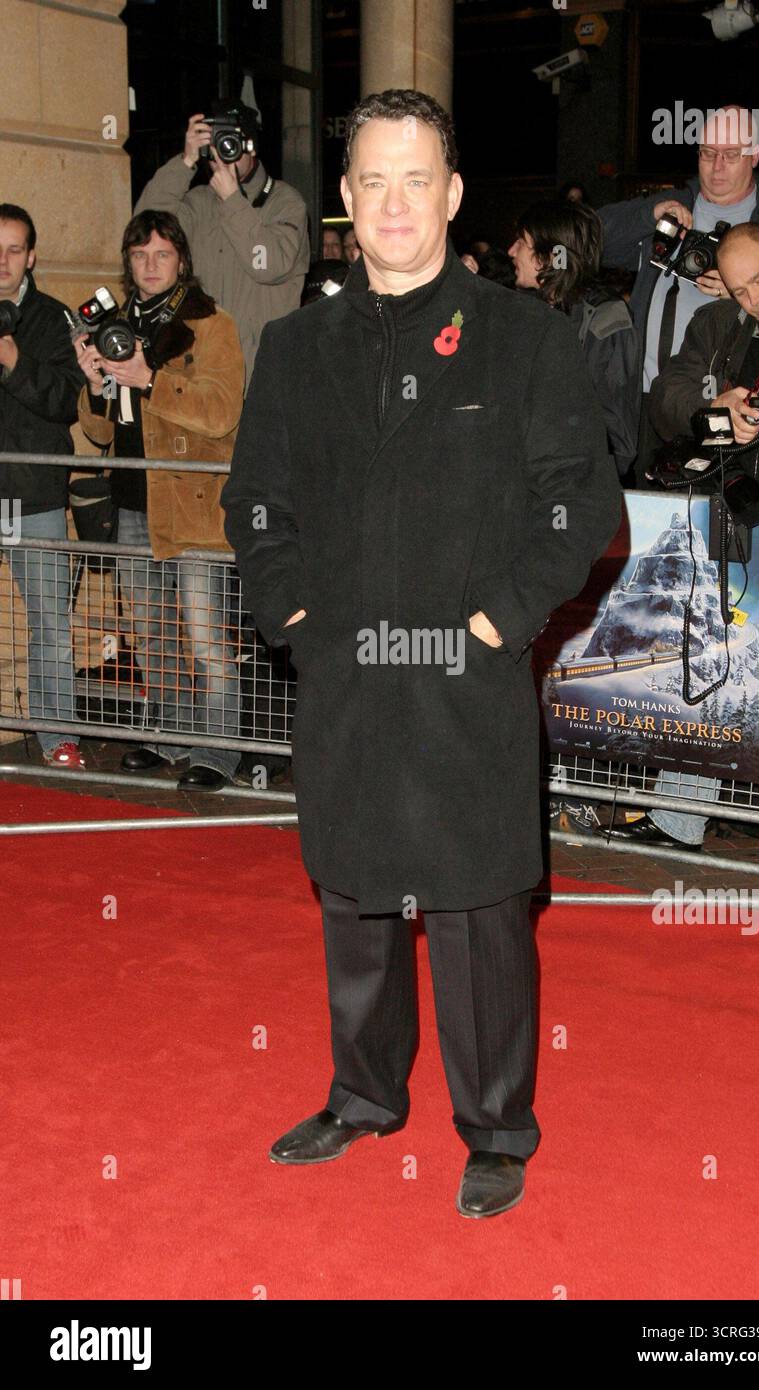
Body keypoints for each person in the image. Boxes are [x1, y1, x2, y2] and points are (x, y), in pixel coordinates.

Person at [222, 88, 622, 1219]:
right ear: (346, 201)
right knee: (354, 902)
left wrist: (497, 621)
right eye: (373, 181)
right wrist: (295, 622)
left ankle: (496, 1126)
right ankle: (363, 1095)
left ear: (451, 193)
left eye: (418, 179)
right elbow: (255, 504)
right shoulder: (295, 347)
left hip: (466, 682)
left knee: (476, 914)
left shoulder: (527, 336)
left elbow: (581, 504)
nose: (396, 203)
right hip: (345, 679)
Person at [606, 223, 759, 884]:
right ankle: (680, 814)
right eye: (737, 288)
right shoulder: (715, 326)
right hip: (725, 512)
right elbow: (665, 398)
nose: (752, 297)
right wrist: (713, 404)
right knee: (702, 657)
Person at [75, 210, 245, 791]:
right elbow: (100, 432)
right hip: (132, 500)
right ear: (127, 262)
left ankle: (220, 749)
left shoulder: (210, 324)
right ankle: (168, 734)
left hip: (194, 502)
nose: (150, 266)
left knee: (205, 633)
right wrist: (97, 383)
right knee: (151, 631)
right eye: (139, 255)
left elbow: (223, 412)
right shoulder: (115, 324)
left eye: (162, 255)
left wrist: (150, 378)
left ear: (181, 262)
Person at [598, 105, 759, 485]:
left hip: (740, 405)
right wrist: (649, 214)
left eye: (731, 155)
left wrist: (738, 296)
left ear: (754, 156)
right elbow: (588, 241)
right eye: (707, 153)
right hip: (656, 395)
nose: (717, 167)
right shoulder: (672, 210)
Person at [135, 99, 310, 380]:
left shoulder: (285, 202)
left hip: (261, 372)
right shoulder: (199, 202)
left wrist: (232, 200)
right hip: (203, 368)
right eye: (217, 143)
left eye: (233, 142)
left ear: (251, 147)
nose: (225, 152)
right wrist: (185, 161)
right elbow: (144, 232)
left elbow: (268, 265)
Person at [0, 203, 86, 768]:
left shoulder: (53, 320)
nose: (2, 261)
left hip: (33, 494)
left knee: (51, 625)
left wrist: (12, 360)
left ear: (31, 255)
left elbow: (65, 403)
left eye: (13, 249)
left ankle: (56, 740)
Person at [508, 199, 640, 477]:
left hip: (575, 490)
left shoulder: (605, 319)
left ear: (549, 255)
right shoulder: (520, 312)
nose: (511, 251)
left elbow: (618, 441)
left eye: (521, 242)